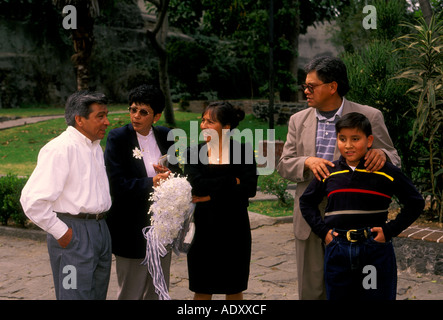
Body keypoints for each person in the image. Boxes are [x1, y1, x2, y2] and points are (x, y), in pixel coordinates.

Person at [277, 56, 401, 300]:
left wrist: (380, 154)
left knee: (356, 292)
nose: (305, 91)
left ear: (332, 87)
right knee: (311, 291)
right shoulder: (297, 120)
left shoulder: (370, 116)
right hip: (309, 217)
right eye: (305, 85)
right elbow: (283, 164)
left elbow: (393, 157)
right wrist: (306, 162)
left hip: (353, 218)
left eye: (311, 86)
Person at [299, 112, 424, 299]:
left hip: (373, 251)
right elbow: (306, 202)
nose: (348, 145)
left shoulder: (386, 171)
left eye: (355, 139)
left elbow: (415, 202)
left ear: (369, 140)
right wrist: (324, 232)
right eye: (342, 139)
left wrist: (389, 231)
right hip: (338, 251)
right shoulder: (329, 172)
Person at [20, 91, 112, 300]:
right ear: (79, 120)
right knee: (72, 295)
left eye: (106, 115)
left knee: (97, 295)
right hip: (74, 233)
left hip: (100, 231)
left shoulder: (94, 146)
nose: (107, 122)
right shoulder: (60, 149)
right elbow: (32, 200)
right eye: (100, 116)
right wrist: (61, 232)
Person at [104, 84, 180, 300]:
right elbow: (116, 184)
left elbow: (178, 173)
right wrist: (152, 182)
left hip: (161, 226)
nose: (135, 116)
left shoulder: (167, 135)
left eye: (143, 112)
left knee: (158, 289)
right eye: (133, 109)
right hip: (130, 227)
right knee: (131, 291)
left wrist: (168, 174)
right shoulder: (117, 138)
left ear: (156, 116)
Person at [184, 101, 258, 300]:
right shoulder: (192, 153)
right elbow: (194, 185)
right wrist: (230, 181)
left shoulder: (243, 152)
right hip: (203, 228)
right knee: (202, 287)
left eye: (210, 122)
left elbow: (249, 189)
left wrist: (209, 196)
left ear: (226, 127)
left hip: (234, 228)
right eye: (203, 120)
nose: (203, 126)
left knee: (234, 287)